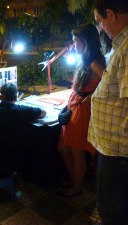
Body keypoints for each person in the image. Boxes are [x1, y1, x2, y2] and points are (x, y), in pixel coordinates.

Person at [88, 0, 128, 224]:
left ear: (111, 14)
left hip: (119, 153)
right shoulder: (121, 45)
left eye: (100, 21)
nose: (101, 27)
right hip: (114, 150)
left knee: (114, 213)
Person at [57, 23, 106, 198]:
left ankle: (77, 186)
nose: (73, 45)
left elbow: (107, 86)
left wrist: (88, 98)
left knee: (76, 150)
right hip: (74, 105)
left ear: (85, 41)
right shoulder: (85, 58)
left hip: (82, 109)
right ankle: (73, 178)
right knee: (63, 146)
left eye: (75, 41)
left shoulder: (95, 61)